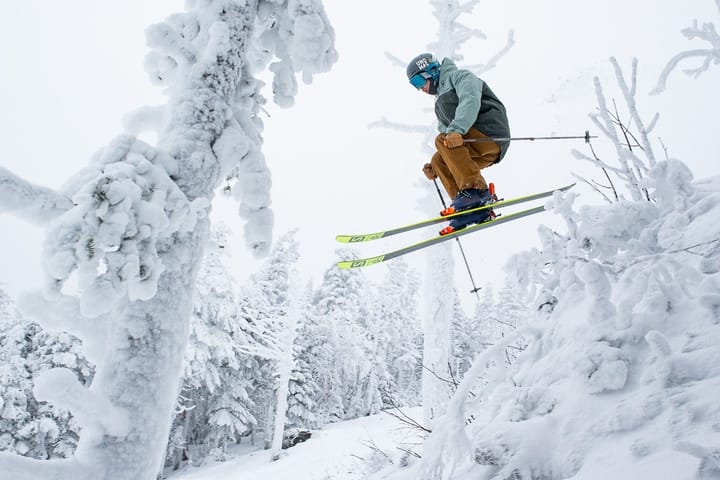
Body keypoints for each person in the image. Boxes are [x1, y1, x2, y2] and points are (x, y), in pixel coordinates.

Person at [406, 53, 510, 234]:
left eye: (418, 81)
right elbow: (449, 146)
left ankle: (475, 190)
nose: (420, 88)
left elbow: (470, 99)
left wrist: (456, 130)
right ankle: (468, 209)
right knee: (439, 159)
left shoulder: (460, 77)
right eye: (415, 86)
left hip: (489, 132)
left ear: (431, 71)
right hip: (476, 146)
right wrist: (436, 168)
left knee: (443, 139)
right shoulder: (439, 103)